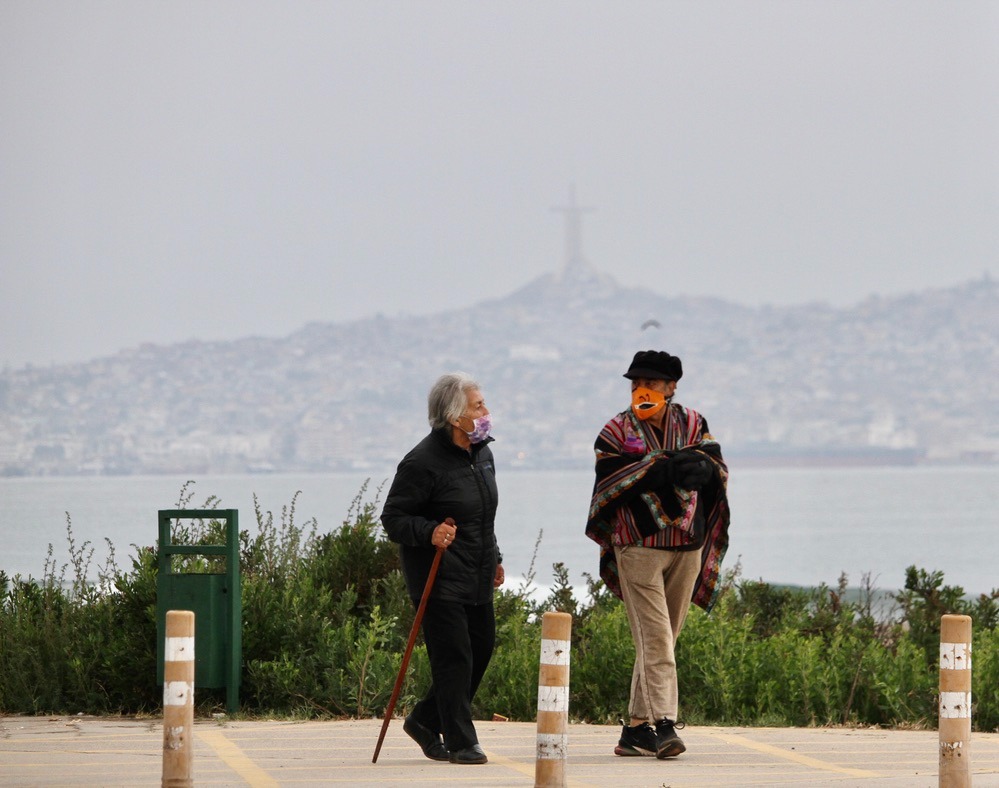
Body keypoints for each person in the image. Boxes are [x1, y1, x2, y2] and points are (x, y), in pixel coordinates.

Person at [585, 350, 730, 760]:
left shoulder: (693, 423)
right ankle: (665, 725)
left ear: (671, 388)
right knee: (656, 640)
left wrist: (702, 468)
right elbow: (609, 480)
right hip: (637, 548)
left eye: (649, 384)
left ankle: (633, 731)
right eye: (634, 384)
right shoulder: (615, 431)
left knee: (662, 641)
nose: (640, 390)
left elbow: (716, 467)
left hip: (688, 545)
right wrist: (658, 468)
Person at [381, 371, 505, 765]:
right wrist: (430, 531)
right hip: (438, 577)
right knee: (454, 658)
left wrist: (496, 558)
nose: (486, 411)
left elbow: (483, 518)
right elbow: (394, 518)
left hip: (477, 571)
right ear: (455, 417)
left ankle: (422, 720)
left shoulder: (482, 453)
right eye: (478, 405)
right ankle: (461, 741)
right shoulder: (421, 462)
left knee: (481, 649)